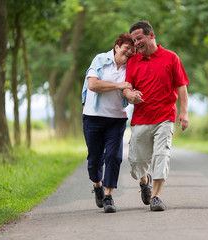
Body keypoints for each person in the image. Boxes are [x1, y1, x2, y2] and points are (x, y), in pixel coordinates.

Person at [123, 21, 190, 211]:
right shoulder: (133, 62)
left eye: (139, 38)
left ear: (151, 35)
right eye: (134, 40)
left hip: (165, 117)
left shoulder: (171, 58)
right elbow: (127, 89)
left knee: (162, 154)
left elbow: (182, 86)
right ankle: (145, 181)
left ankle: (156, 197)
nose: (136, 43)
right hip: (141, 118)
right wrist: (130, 96)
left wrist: (184, 112)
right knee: (136, 161)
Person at [81, 33, 135, 213]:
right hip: (93, 117)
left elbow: (128, 89)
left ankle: (109, 196)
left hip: (117, 118)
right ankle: (98, 184)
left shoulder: (131, 66)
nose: (130, 52)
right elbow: (93, 85)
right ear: (117, 46)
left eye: (133, 50)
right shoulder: (100, 60)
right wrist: (118, 86)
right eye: (127, 47)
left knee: (114, 156)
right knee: (94, 160)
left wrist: (131, 95)